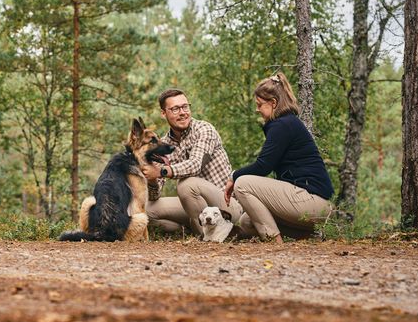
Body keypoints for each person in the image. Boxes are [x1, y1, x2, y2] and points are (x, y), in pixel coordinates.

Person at [223, 72, 334, 245]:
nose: (257, 109)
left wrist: (233, 175)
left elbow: (262, 167)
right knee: (247, 221)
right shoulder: (286, 123)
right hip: (311, 204)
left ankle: (274, 242)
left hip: (311, 201)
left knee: (243, 184)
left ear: (273, 103)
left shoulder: (283, 125)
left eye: (260, 105)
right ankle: (309, 237)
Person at [142, 88, 243, 237]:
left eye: (185, 106)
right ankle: (190, 230)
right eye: (175, 109)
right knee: (144, 210)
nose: (182, 112)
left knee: (186, 185)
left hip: (225, 205)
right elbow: (154, 196)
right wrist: (152, 180)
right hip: (194, 206)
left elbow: (195, 164)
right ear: (164, 113)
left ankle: (213, 236)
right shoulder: (164, 144)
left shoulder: (204, 129)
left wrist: (163, 171)